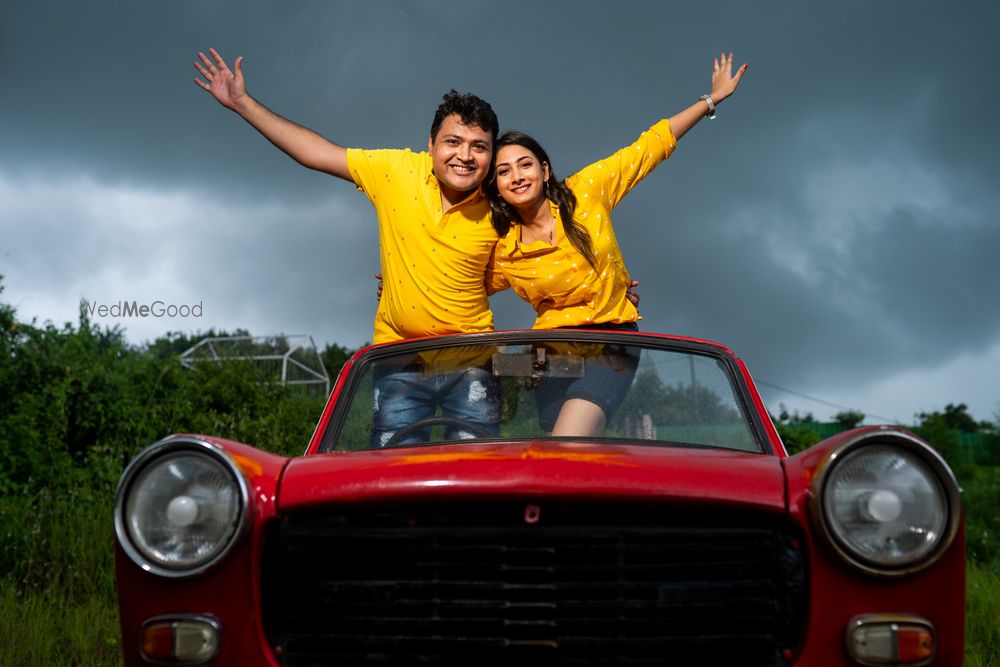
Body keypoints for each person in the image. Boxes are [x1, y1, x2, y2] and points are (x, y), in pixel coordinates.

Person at [193, 48, 502, 446]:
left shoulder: (502, 204)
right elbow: (317, 153)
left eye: (479, 146)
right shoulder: (396, 172)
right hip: (399, 360)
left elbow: (523, 266)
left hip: (472, 361)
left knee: (475, 477)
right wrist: (243, 103)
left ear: (492, 155)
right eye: (453, 142)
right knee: (393, 476)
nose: (464, 155)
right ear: (430, 144)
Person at [484, 52, 748, 438]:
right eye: (503, 172)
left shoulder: (586, 191)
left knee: (567, 444)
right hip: (550, 357)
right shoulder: (504, 247)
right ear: (496, 187)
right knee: (559, 463)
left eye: (525, 164)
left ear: (544, 169)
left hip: (612, 343)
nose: (516, 177)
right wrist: (394, 285)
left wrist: (712, 99)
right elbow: (460, 283)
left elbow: (648, 147)